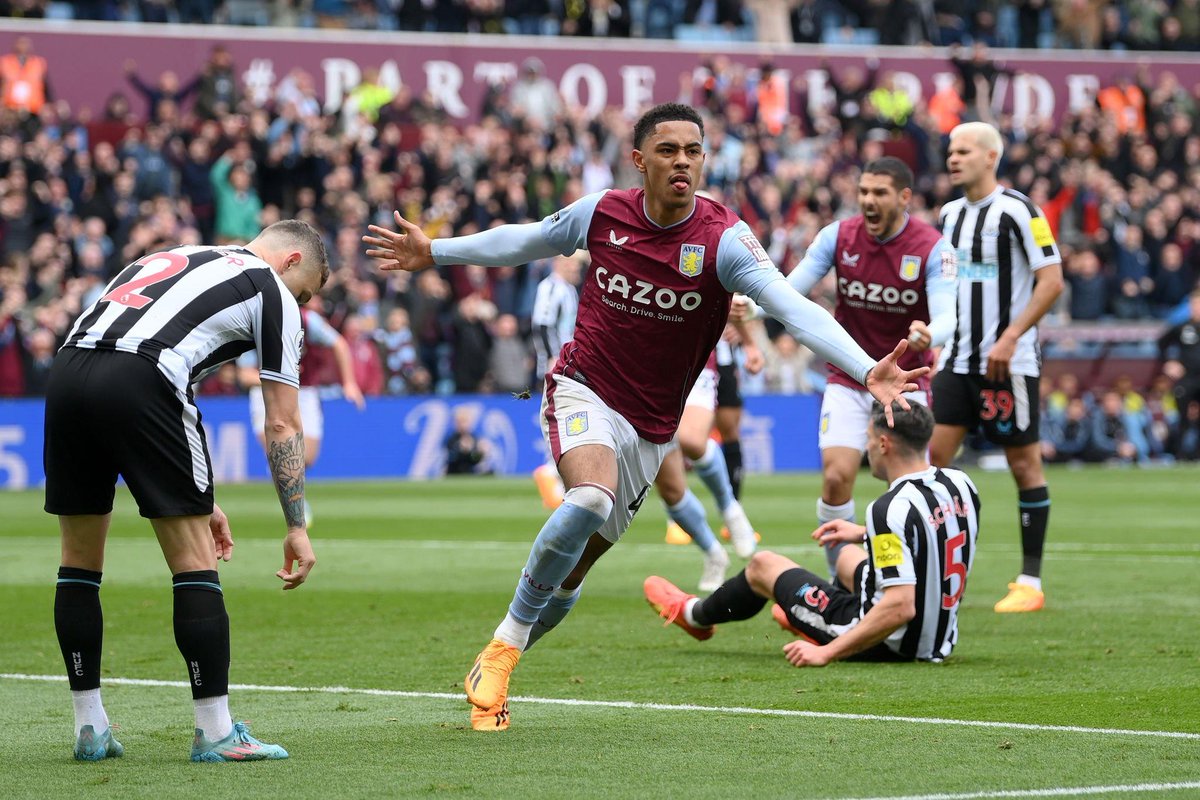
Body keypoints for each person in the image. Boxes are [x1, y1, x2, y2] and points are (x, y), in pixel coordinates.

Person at [364, 102, 927, 731]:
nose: (682, 161)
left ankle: (503, 662)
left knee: (572, 573)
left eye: (693, 150)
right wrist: (435, 251)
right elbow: (524, 239)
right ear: (640, 160)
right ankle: (501, 647)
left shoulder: (724, 241)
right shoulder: (602, 213)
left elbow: (794, 309)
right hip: (585, 388)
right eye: (667, 150)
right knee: (587, 501)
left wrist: (864, 365)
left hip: (652, 428)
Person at [44, 220, 327, 761]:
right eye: (306, 292)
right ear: (291, 261)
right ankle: (216, 732)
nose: (302, 305)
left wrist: (203, 499)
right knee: (195, 564)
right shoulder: (270, 287)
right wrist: (296, 526)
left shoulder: (179, 255)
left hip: (68, 371)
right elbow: (283, 424)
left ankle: (89, 727)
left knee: (77, 562)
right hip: (144, 375)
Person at [737, 157, 957, 579]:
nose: (868, 201)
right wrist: (749, 309)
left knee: (908, 487)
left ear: (904, 197)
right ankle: (842, 573)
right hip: (849, 375)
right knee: (837, 476)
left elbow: (950, 312)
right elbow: (789, 291)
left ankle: (924, 576)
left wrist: (931, 333)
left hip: (904, 382)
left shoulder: (932, 247)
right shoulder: (837, 236)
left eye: (879, 193)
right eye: (864, 192)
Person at [644, 401, 980, 666]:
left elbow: (900, 607)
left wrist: (827, 653)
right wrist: (864, 533)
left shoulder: (889, 508)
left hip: (894, 643)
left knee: (762, 565)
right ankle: (809, 615)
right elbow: (930, 534)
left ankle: (694, 617)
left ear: (883, 443)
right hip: (940, 636)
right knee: (848, 556)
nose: (866, 448)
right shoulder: (959, 483)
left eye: (866, 439)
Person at [929, 121, 1064, 613]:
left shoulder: (1021, 211)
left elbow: (1052, 280)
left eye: (963, 150)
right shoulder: (946, 216)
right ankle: (935, 576)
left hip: (1010, 364)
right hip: (955, 360)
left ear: (990, 157)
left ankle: (1030, 582)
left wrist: (1010, 337)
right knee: (929, 465)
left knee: (1023, 464)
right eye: (950, 150)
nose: (953, 158)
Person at [237, 301, 366, 526]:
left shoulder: (307, 320)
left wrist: (349, 383)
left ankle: (290, 493)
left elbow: (339, 344)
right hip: (266, 392)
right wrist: (279, 377)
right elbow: (245, 375)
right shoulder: (255, 325)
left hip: (305, 392)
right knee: (281, 452)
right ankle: (296, 505)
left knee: (307, 457)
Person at [530, 254, 582, 509]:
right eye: (573, 264)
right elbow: (542, 325)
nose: (577, 270)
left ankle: (557, 474)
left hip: (570, 364)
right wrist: (552, 357)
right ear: (559, 264)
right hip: (557, 365)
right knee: (558, 417)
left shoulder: (568, 290)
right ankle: (552, 474)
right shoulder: (550, 287)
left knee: (566, 418)